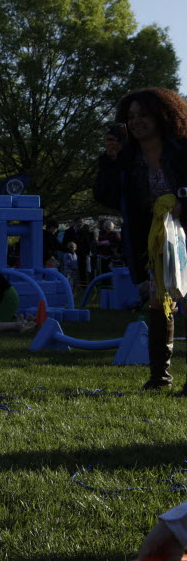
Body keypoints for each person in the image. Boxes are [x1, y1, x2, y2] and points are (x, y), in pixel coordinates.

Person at [94, 87, 187, 391]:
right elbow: (106, 197)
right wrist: (110, 160)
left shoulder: (182, 149)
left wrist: (182, 203)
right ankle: (160, 377)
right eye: (131, 116)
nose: (136, 122)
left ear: (162, 116)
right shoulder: (126, 158)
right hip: (154, 242)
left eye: (144, 115)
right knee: (159, 303)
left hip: (184, 234)